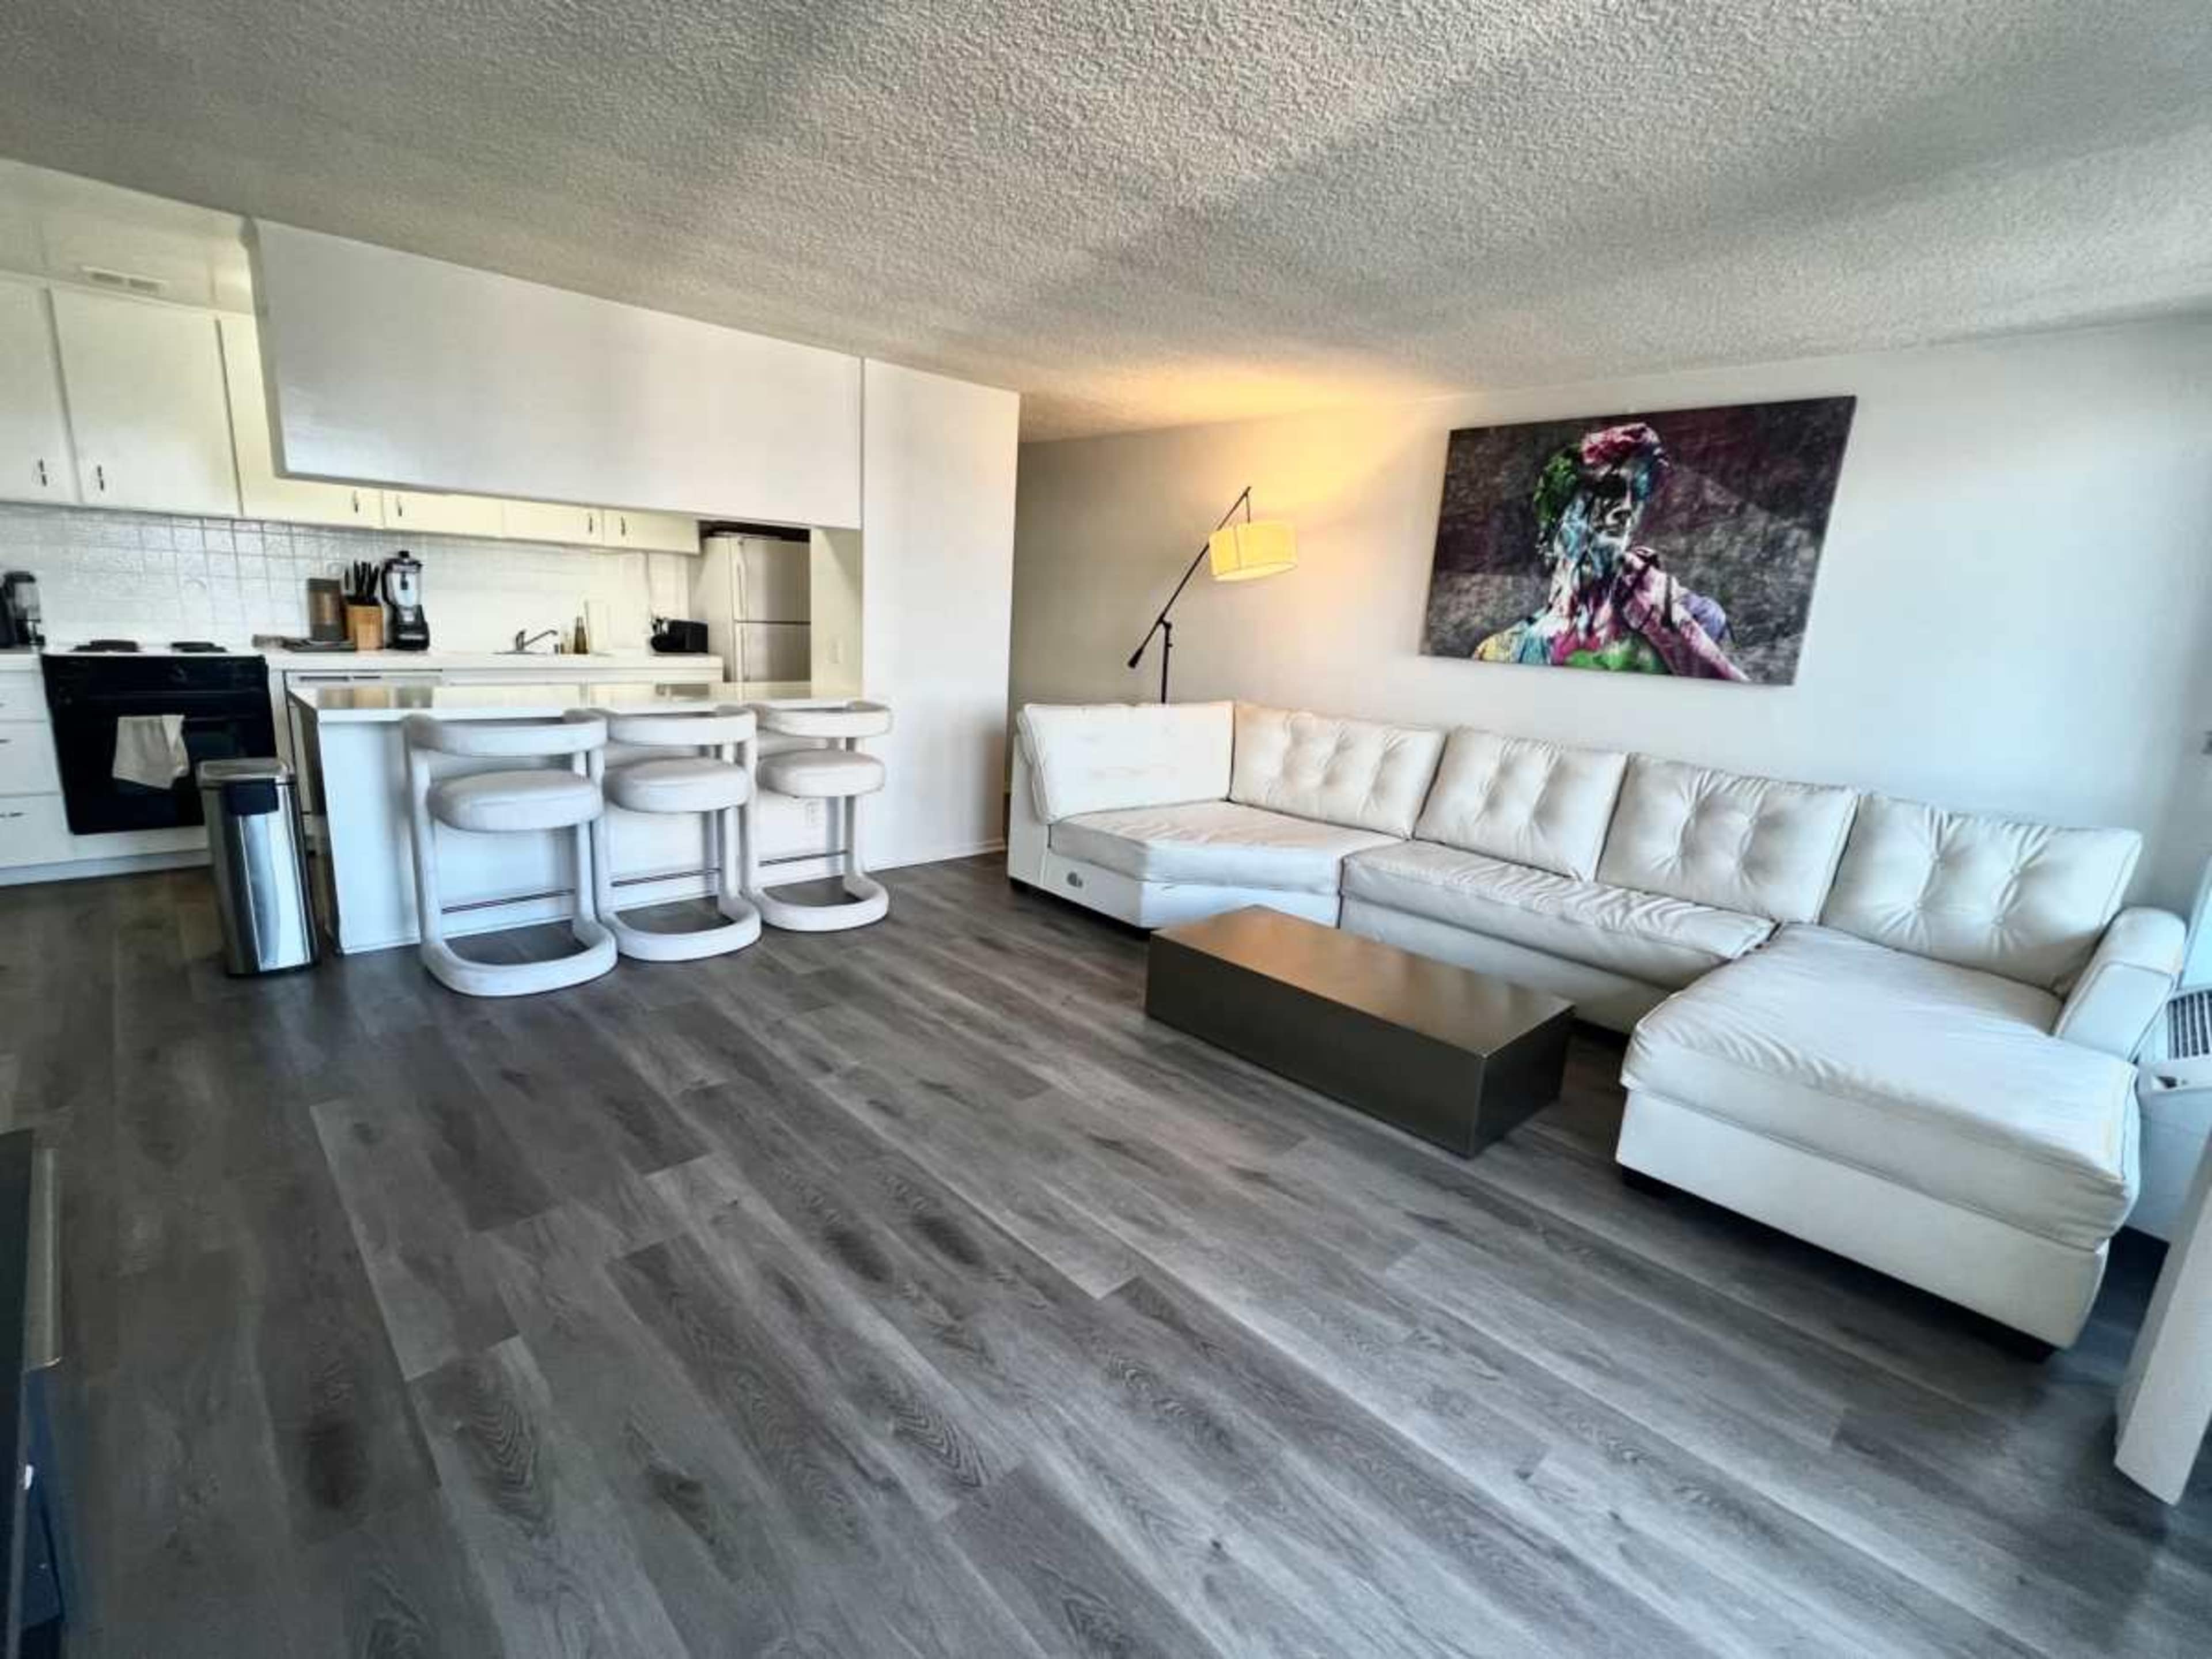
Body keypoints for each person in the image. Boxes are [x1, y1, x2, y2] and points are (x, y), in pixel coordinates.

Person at [1474, 421, 1746, 680]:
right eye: (1609, 490)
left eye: (1636, 494)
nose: (1626, 508)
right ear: (1557, 519)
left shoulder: (1697, 619)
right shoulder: (1505, 651)